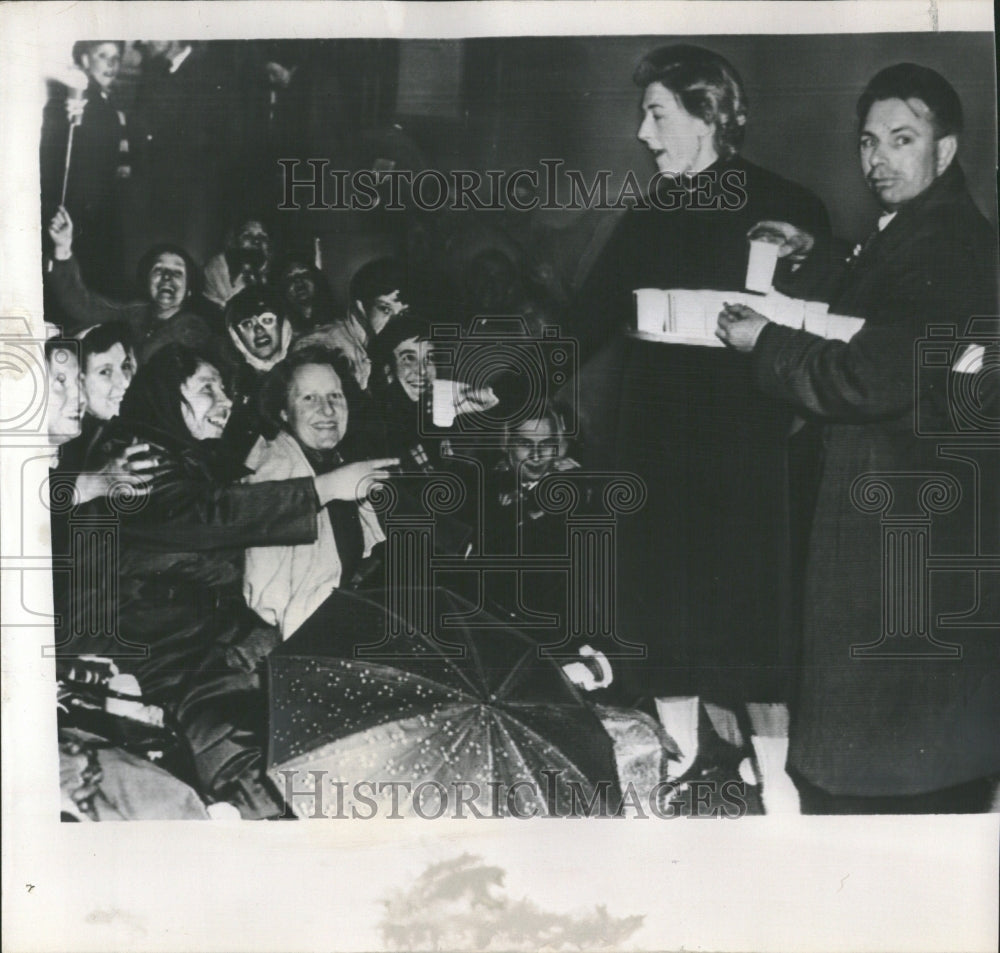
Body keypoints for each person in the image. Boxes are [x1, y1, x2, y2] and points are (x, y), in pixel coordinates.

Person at [716, 64, 1000, 812]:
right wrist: (816, 253)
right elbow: (881, 311)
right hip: (906, 517)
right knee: (906, 750)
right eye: (869, 141)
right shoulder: (927, 231)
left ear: (945, 149)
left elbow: (870, 374)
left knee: (887, 763)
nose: (879, 158)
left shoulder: (946, 243)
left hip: (898, 526)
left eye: (902, 139)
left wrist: (765, 344)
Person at [571, 44, 833, 706]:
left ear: (706, 113)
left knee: (754, 635)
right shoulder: (651, 214)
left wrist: (812, 260)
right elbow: (584, 322)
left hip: (746, 462)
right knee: (661, 624)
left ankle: (773, 788)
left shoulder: (788, 205)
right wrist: (503, 385)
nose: (642, 134)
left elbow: (838, 319)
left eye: (656, 115)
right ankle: (684, 764)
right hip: (655, 456)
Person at [69, 343, 395, 816]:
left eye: (225, 389)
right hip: (160, 658)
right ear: (166, 395)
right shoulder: (135, 453)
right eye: (207, 390)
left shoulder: (185, 453)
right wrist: (322, 490)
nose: (224, 401)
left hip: (195, 647)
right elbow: (207, 516)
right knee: (249, 764)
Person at [243, 347, 388, 639]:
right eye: (309, 398)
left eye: (335, 395)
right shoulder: (276, 474)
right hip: (305, 637)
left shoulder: (333, 460)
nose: (328, 410)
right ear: (283, 411)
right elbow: (268, 601)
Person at [47, 205, 223, 363]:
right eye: (159, 270)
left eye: (177, 272)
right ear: (147, 283)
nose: (167, 277)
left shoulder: (194, 328)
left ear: (189, 290)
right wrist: (63, 247)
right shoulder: (135, 312)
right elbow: (84, 305)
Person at [40, 41, 130, 296]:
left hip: (98, 211)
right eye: (103, 56)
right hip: (76, 214)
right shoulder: (75, 98)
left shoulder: (105, 102)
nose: (112, 64)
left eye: (117, 57)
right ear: (85, 59)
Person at [295, 257, 410, 391]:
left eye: (402, 313)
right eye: (385, 309)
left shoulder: (393, 346)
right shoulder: (320, 345)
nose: (394, 321)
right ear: (360, 307)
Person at [220, 287, 293, 459]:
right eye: (247, 324)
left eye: (267, 320)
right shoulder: (231, 385)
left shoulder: (308, 366)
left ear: (283, 324)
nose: (259, 330)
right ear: (235, 335)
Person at [202, 216, 275, 310]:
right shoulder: (216, 269)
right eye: (248, 236)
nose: (256, 241)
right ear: (234, 240)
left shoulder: (273, 270)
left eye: (262, 237)